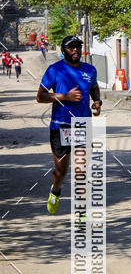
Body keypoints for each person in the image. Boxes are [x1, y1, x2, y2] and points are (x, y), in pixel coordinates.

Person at [36, 35, 102, 214]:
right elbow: (40, 96)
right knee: (61, 171)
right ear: (63, 50)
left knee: (81, 171)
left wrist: (97, 102)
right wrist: (64, 97)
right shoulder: (55, 70)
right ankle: (55, 191)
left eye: (78, 47)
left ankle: (81, 212)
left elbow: (94, 87)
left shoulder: (90, 70)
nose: (75, 50)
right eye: (71, 47)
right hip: (61, 125)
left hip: (82, 124)